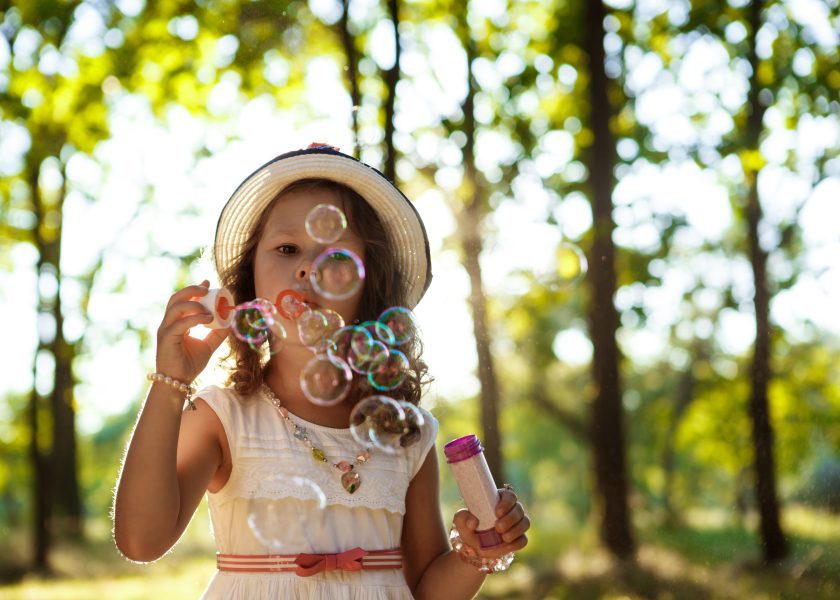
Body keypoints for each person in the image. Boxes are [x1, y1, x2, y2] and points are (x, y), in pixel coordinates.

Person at [113, 144, 530, 599]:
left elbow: (427, 590)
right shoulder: (224, 418)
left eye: (335, 257)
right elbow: (141, 540)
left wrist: (478, 552)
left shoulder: (405, 436)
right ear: (250, 280)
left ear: (369, 284)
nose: (308, 266)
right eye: (287, 248)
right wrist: (172, 384)